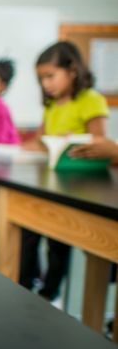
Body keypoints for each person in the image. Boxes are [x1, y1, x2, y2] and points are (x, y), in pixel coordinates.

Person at [20, 41, 109, 301]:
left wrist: (74, 139)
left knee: (58, 242)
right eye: (41, 79)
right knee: (28, 231)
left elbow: (99, 141)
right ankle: (25, 284)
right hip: (52, 179)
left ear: (72, 70)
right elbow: (40, 140)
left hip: (80, 184)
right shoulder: (50, 104)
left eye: (50, 76)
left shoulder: (91, 99)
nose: (46, 84)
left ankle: (50, 294)